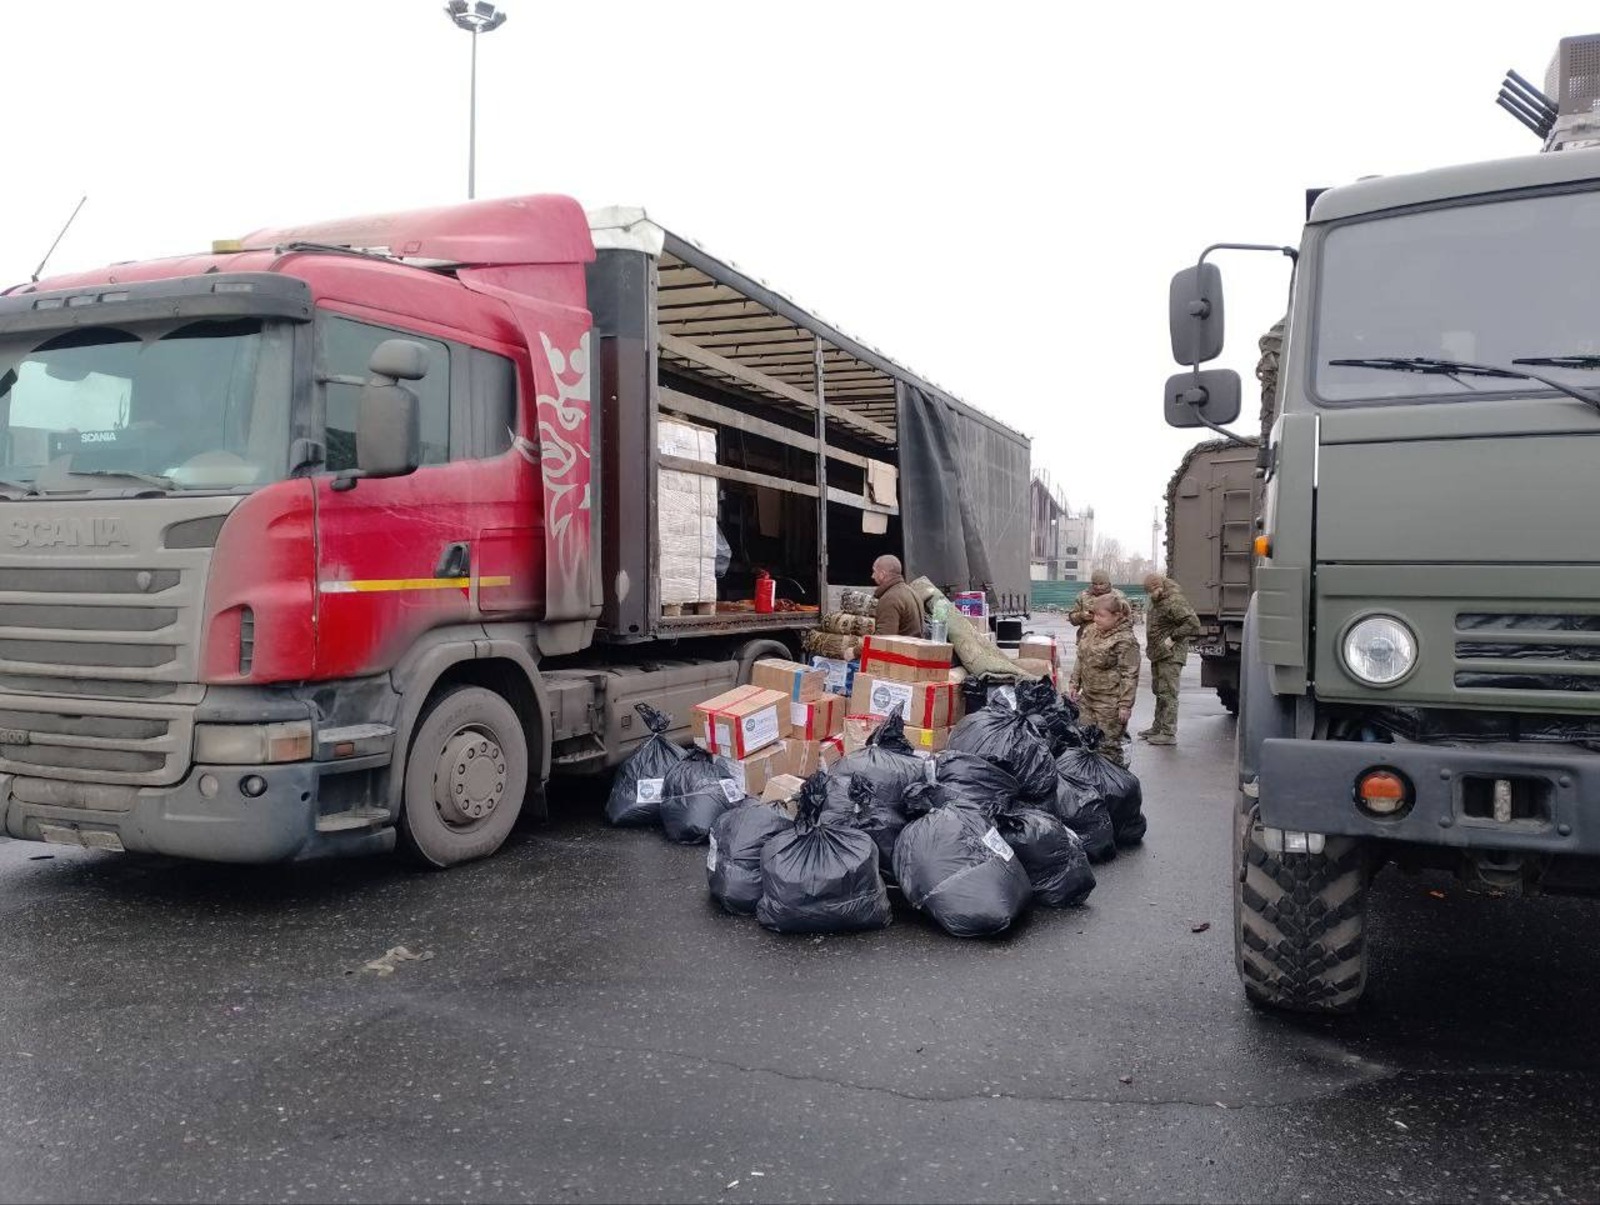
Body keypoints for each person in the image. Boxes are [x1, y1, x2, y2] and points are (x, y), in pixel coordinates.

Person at [1067, 593, 1140, 769]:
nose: (1096, 619)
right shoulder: (1091, 630)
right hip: (1088, 698)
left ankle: (1112, 786)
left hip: (1110, 702)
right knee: (1084, 741)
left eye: (1101, 616)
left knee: (1107, 748)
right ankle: (1090, 784)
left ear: (1117, 616)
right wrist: (1074, 683)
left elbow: (1129, 674)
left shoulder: (1125, 640)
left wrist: (1125, 705)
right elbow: (1081, 658)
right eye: (1094, 615)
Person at [1140, 573, 1202, 746]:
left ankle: (1168, 732)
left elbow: (1193, 623)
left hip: (1171, 654)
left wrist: (1173, 638)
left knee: (1168, 693)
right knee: (1159, 691)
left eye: (1151, 591)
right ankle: (1157, 727)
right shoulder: (1157, 600)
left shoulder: (1174, 600)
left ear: (1158, 586)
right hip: (1159, 653)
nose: (1150, 596)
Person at [1068, 570, 1127, 645]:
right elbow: (1072, 619)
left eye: (1101, 584)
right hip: (1087, 641)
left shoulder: (1118, 596)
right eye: (1095, 584)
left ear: (1108, 583)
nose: (1098, 587)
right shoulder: (1083, 596)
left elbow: (1128, 618)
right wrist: (1081, 616)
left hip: (1112, 640)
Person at [871, 554, 924, 637]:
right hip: (913, 648)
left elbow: (883, 639)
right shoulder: (911, 592)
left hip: (902, 649)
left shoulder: (890, 598)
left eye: (874, 571)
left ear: (882, 574)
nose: (872, 576)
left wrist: (855, 650)